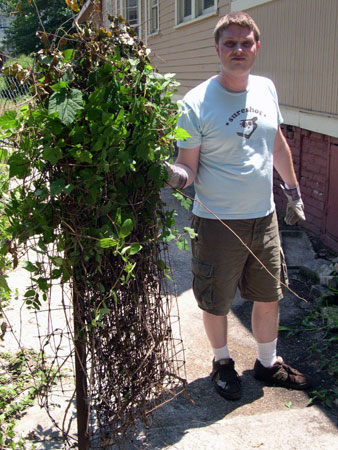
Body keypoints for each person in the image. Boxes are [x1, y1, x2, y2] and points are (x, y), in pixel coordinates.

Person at [165, 11, 310, 400]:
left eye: (246, 43)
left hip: (264, 218)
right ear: (217, 49)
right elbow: (188, 168)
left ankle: (267, 363)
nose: (239, 50)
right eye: (230, 43)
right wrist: (169, 174)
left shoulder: (266, 88)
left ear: (256, 47)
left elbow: (277, 142)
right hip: (217, 222)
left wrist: (293, 191)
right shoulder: (196, 103)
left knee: (269, 295)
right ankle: (222, 363)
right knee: (217, 299)